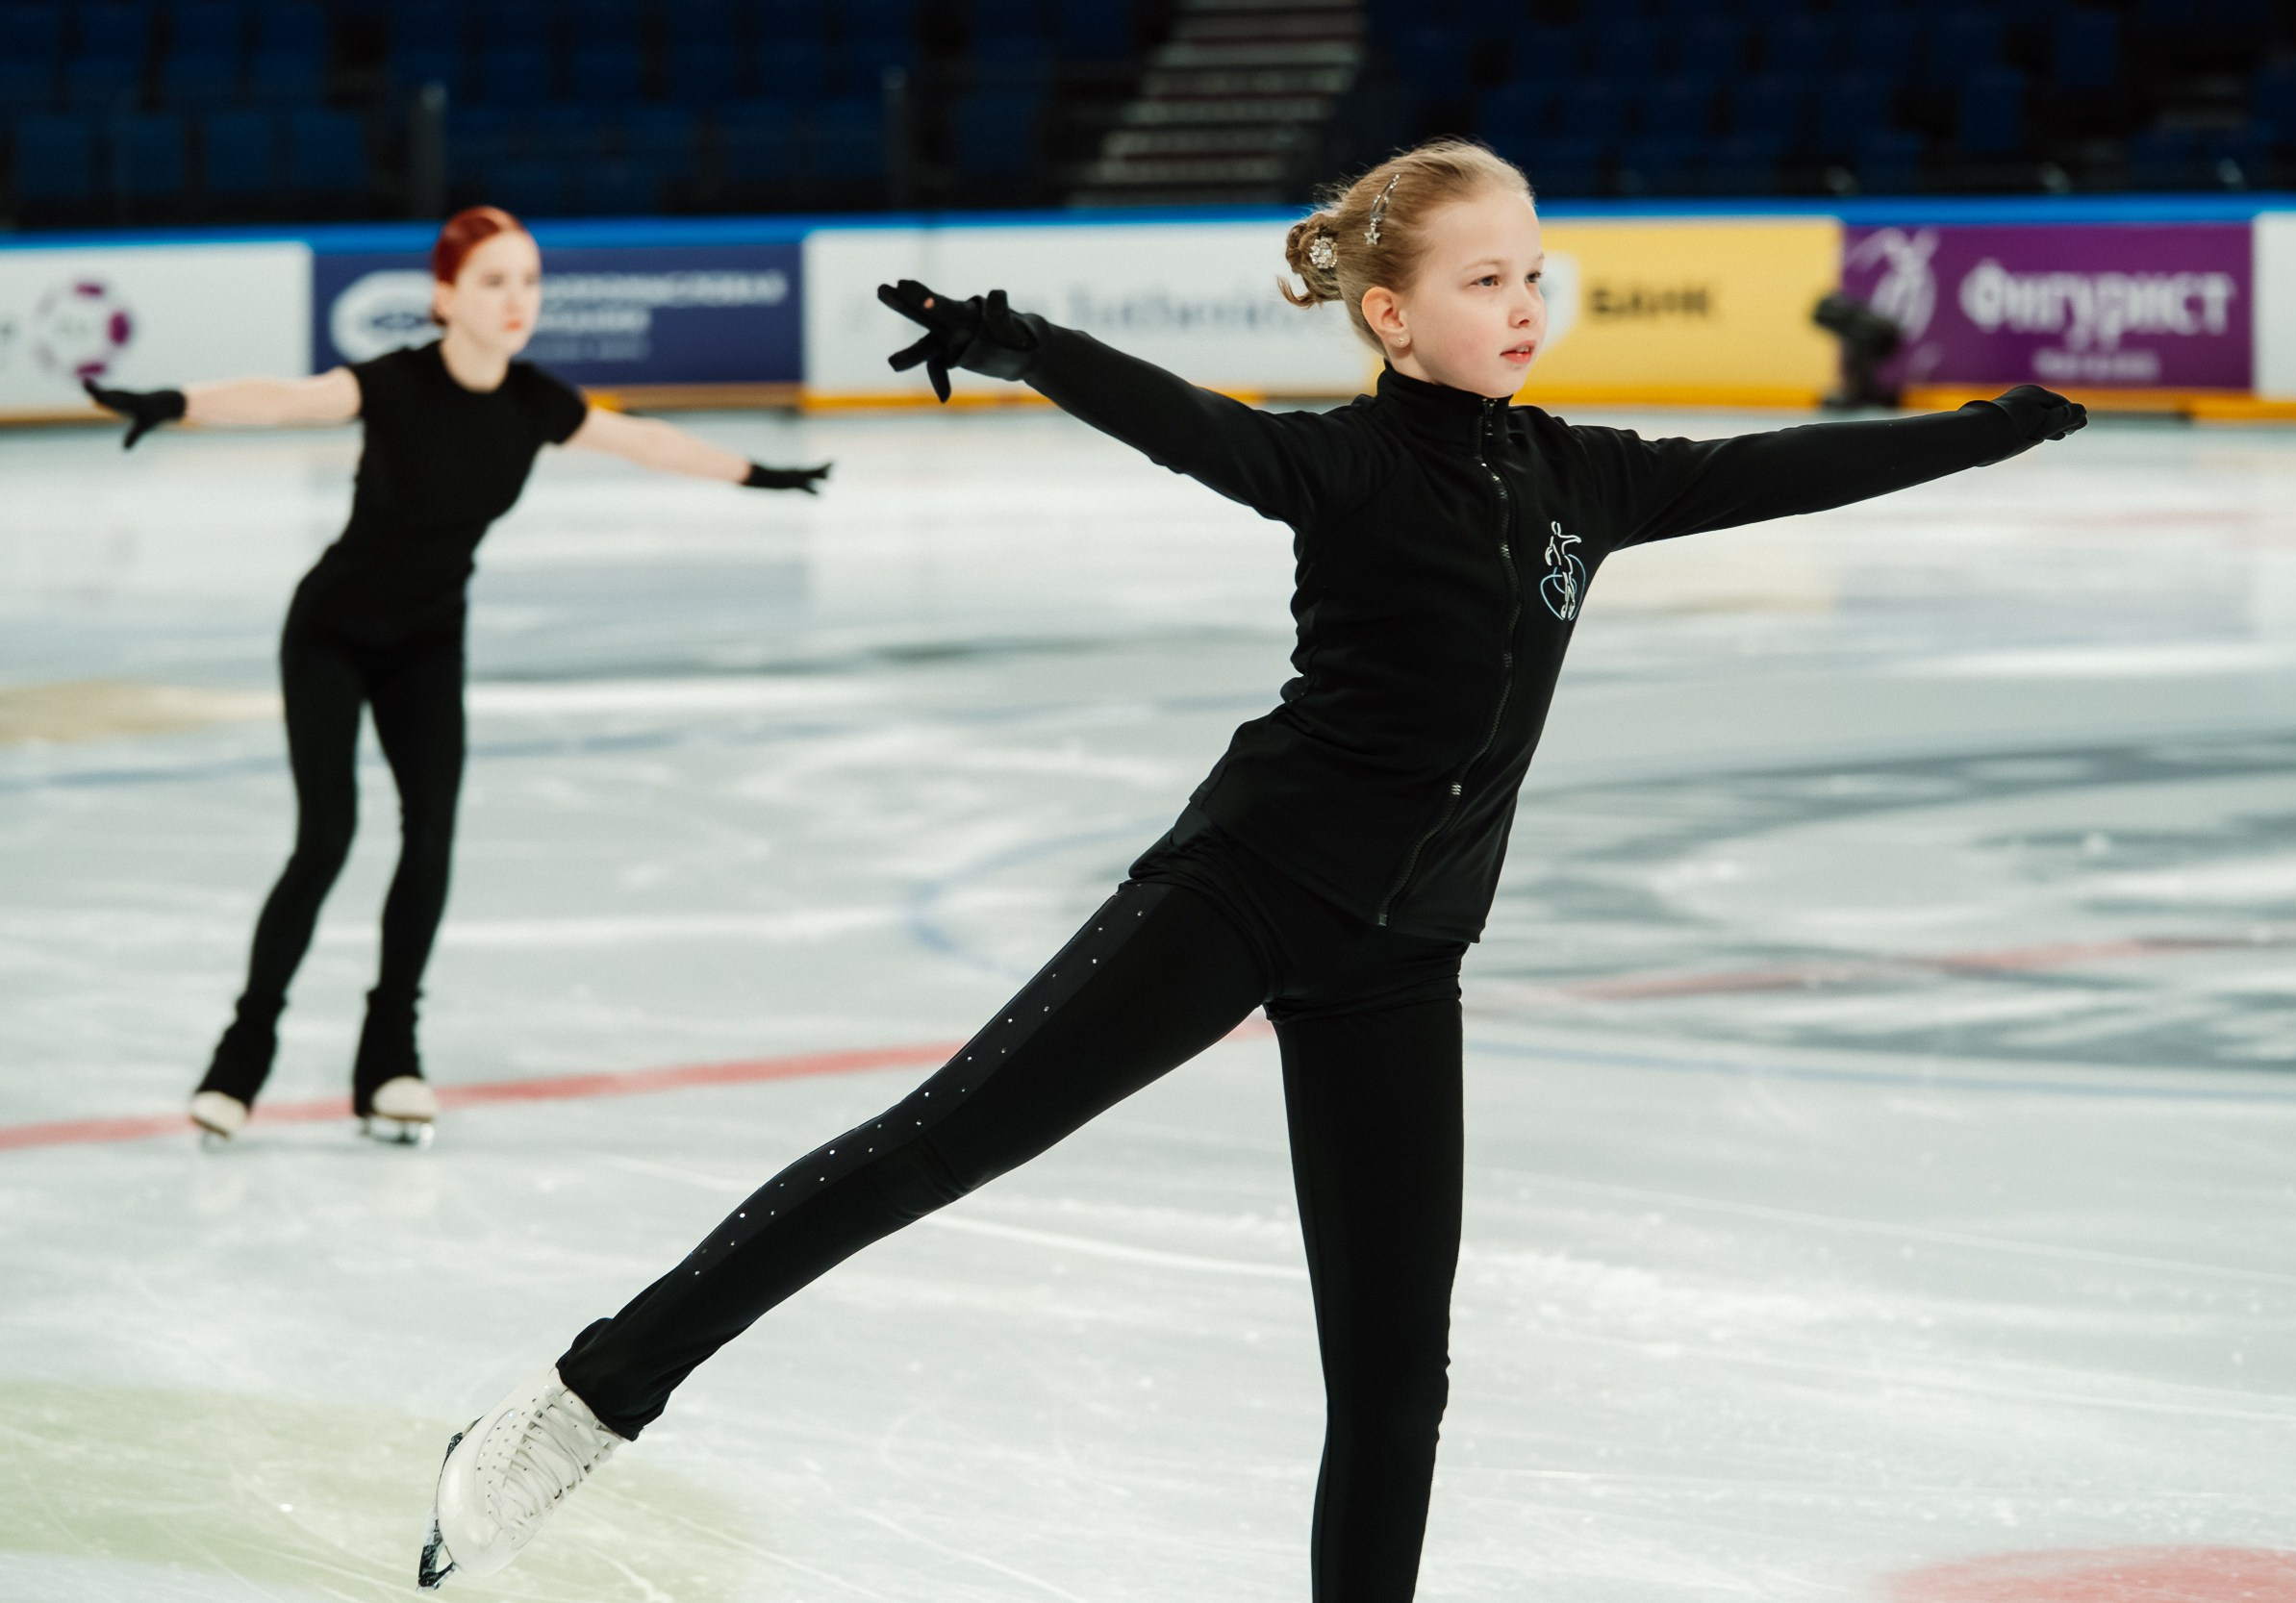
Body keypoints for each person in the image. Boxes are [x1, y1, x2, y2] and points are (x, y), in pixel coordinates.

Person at [415, 143, 2085, 1599]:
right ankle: (586, 1397)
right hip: (1247, 889)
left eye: (1535, 273)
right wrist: (1027, 346)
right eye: (1487, 280)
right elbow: (1199, 432)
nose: (1524, 303)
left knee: (1396, 1376)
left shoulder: (1583, 478)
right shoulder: (1349, 467)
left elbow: (1779, 470)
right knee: (935, 1144)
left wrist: (1986, 431)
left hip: (1404, 955)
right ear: (1391, 316)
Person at [86, 206, 832, 1148]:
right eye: (493, 282)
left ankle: (390, 1058)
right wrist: (174, 401)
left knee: (429, 836)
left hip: (430, 642)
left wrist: (759, 473)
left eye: (529, 281)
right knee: (326, 838)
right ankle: (240, 1058)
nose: (517, 300)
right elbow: (281, 399)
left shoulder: (536, 403)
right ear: (445, 297)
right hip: (331, 634)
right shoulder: (393, 383)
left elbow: (645, 441)